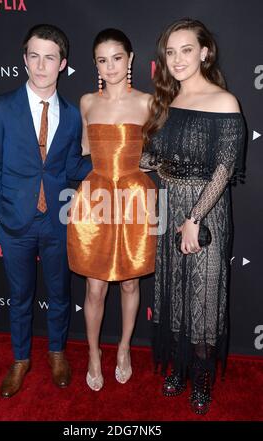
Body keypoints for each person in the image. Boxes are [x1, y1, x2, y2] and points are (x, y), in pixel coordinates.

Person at [0, 24, 91, 398]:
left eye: (50, 57)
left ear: (62, 64)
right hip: (13, 222)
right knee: (20, 295)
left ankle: (57, 353)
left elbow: (72, 167)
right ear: (25, 59)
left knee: (60, 293)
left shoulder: (74, 116)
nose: (41, 65)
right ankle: (21, 359)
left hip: (57, 220)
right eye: (34, 56)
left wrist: (113, 164)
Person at [140, 18, 245, 414]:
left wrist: (194, 218)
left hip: (206, 214)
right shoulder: (165, 102)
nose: (178, 59)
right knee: (175, 292)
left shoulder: (224, 101)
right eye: (170, 52)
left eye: (186, 50)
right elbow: (152, 159)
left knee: (204, 296)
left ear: (204, 52)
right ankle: (180, 367)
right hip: (169, 206)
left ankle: (201, 377)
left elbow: (224, 169)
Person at [67, 28, 157, 391]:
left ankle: (123, 349)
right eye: (102, 61)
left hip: (135, 197)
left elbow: (154, 154)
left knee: (132, 281)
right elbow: (87, 150)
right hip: (96, 197)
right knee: (95, 287)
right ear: (95, 65)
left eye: (117, 58)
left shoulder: (149, 103)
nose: (110, 66)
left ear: (131, 59)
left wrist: (137, 166)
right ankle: (93, 353)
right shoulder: (87, 102)